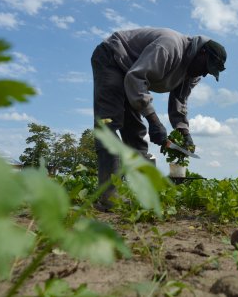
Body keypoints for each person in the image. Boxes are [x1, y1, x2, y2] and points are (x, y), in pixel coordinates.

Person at [91, 27, 227, 210]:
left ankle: (143, 192)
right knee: (109, 124)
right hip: (113, 58)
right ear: (201, 53)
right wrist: (154, 121)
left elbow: (180, 101)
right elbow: (136, 78)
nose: (203, 74)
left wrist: (184, 132)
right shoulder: (169, 47)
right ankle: (109, 196)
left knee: (135, 133)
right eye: (205, 68)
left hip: (131, 73)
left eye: (208, 73)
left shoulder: (193, 72)